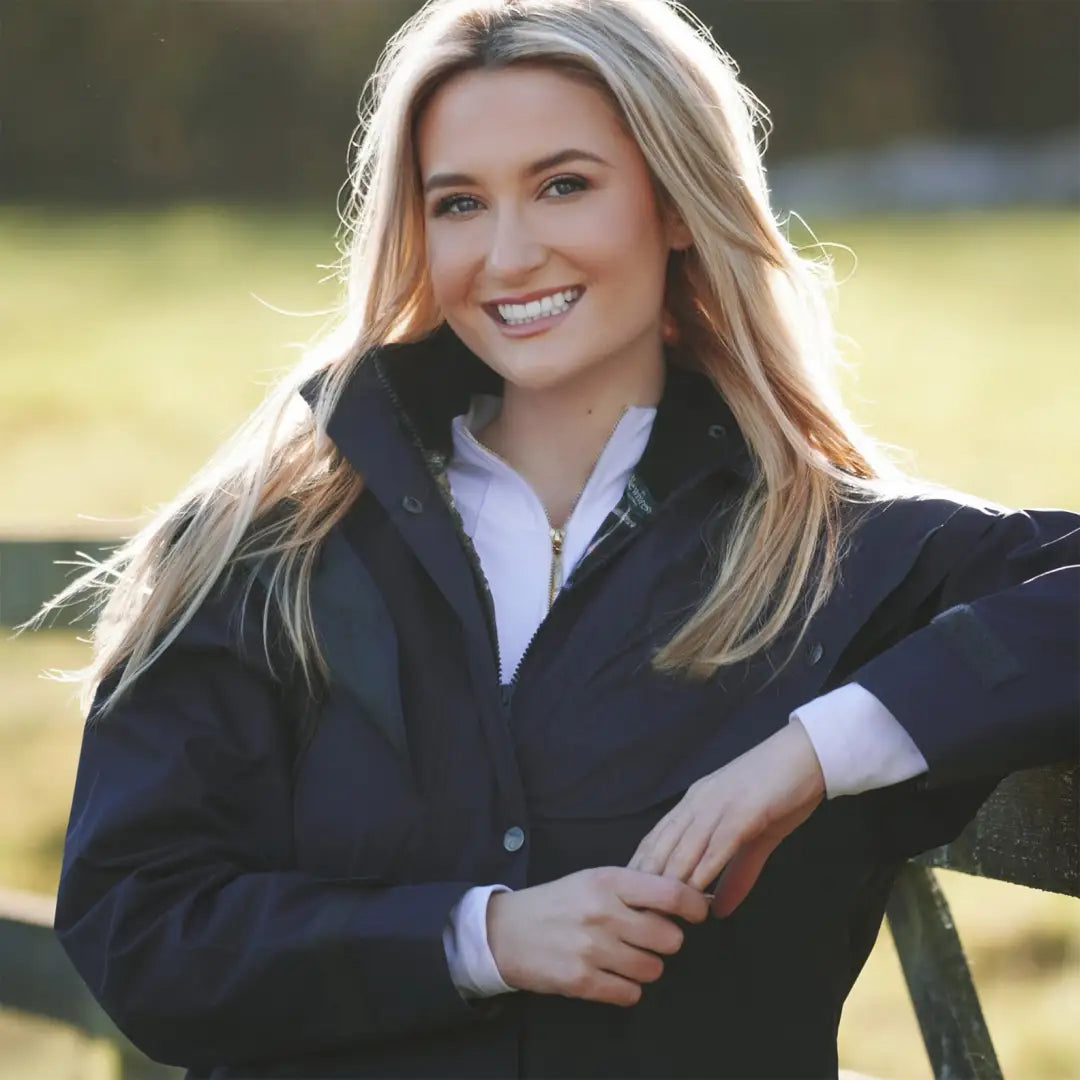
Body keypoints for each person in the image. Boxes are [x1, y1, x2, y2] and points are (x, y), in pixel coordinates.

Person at [43, 0, 1077, 1077]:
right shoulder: (266, 557)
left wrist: (811, 754)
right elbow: (138, 923)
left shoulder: (834, 557)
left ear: (676, 202)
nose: (509, 253)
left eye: (564, 185)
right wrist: (474, 939)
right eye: (458, 203)